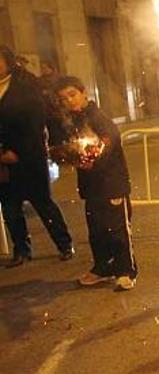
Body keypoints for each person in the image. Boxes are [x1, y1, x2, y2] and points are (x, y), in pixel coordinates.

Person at [53, 76, 136, 290]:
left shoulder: (97, 116)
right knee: (97, 230)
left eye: (72, 95)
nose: (69, 101)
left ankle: (125, 271)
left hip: (112, 184)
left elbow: (110, 139)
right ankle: (103, 268)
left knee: (117, 230)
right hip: (91, 187)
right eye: (64, 99)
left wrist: (95, 159)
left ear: (84, 93)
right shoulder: (72, 121)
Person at [0, 45, 74, 268]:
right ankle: (21, 250)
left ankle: (64, 244)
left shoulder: (25, 84)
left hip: (29, 156)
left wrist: (18, 153)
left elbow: (35, 123)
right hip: (2, 160)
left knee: (43, 203)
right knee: (10, 207)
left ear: (8, 61)